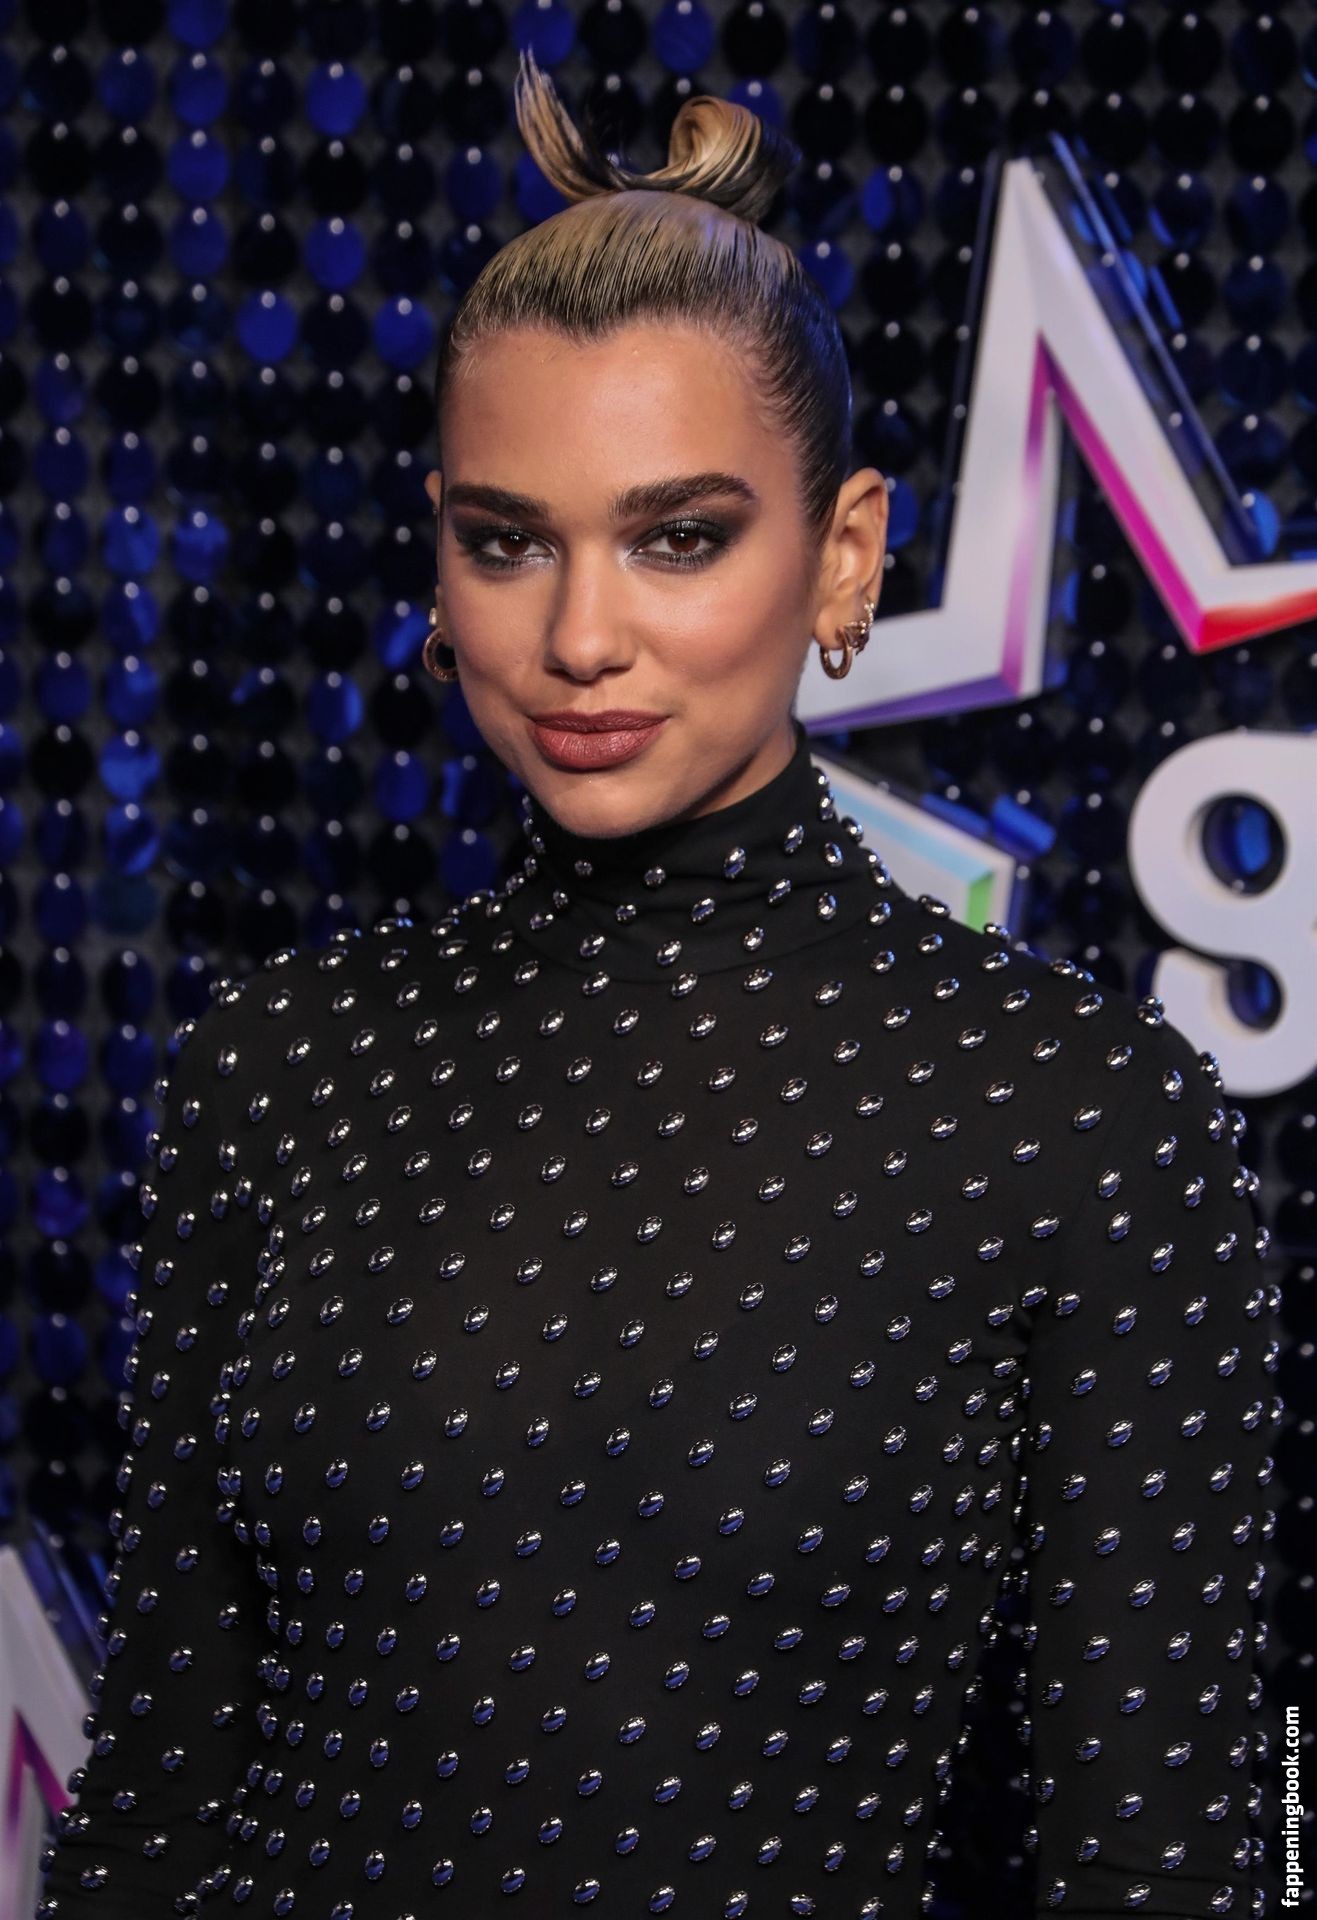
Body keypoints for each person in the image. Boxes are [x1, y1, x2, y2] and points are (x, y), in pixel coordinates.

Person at [37, 47, 1280, 1920]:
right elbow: (151, 1803)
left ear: (844, 554)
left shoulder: (1078, 1117)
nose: (579, 635)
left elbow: (1173, 1856)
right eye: (507, 542)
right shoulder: (278, 1067)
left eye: (677, 536)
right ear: (438, 553)